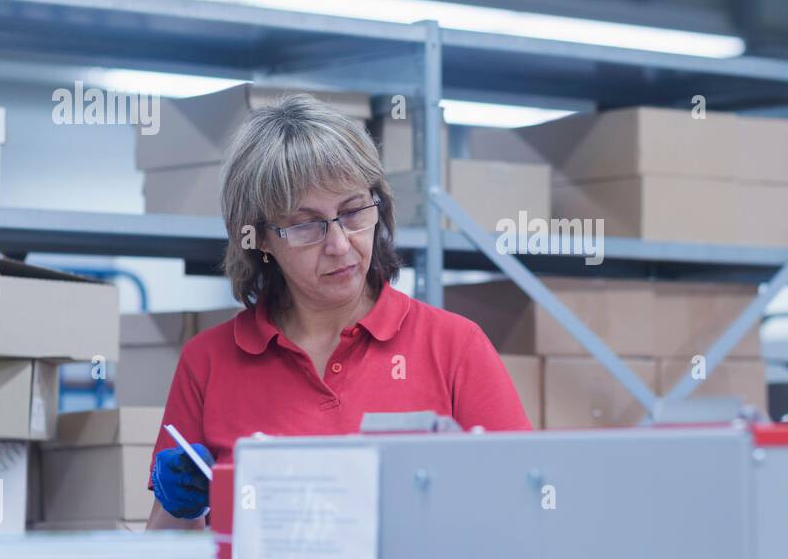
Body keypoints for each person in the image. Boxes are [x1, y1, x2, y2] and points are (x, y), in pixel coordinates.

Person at [147, 93, 531, 528]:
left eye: (352, 213)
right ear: (260, 239)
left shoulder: (453, 347)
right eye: (305, 225)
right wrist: (185, 508)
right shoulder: (208, 363)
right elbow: (168, 555)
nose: (339, 244)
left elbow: (523, 508)